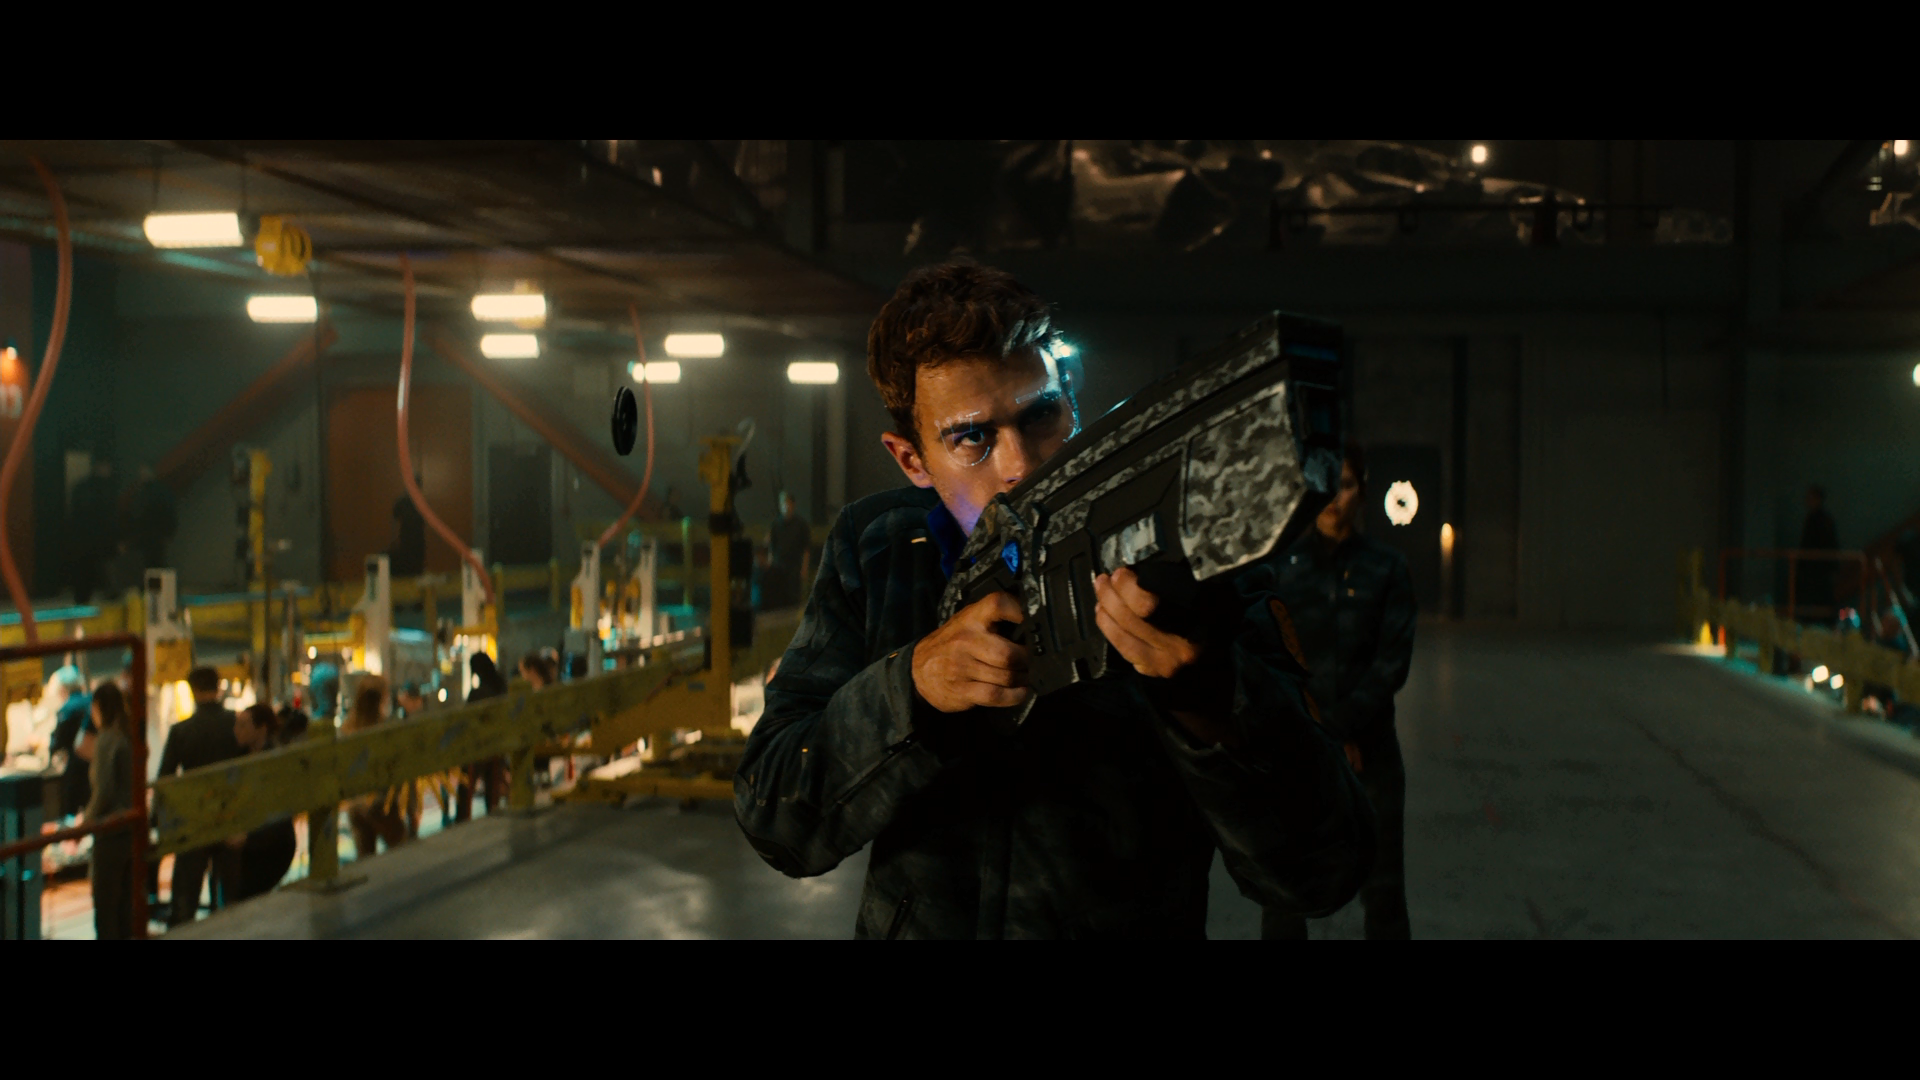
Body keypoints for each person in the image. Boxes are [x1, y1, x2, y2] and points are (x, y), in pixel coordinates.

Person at [733, 259, 1374, 938]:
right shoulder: (881, 549)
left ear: (1072, 402)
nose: (1021, 464)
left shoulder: (1189, 559)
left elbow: (1322, 874)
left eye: (1041, 415)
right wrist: (911, 689)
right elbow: (775, 816)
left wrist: (1214, 703)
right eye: (973, 437)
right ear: (911, 459)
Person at [1261, 442, 1417, 940]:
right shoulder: (1280, 568)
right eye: (1324, 483)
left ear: (1362, 493)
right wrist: (1322, 733)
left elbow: (1391, 665)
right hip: (1298, 750)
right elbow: (1269, 659)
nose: (1332, 497)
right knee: (1284, 895)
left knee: (1384, 889)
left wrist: (1342, 728)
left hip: (1370, 753)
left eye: (1345, 484)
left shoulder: (1387, 568)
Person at [157, 666, 244, 926]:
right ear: (218, 687)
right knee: (230, 897)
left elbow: (165, 779)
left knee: (186, 899)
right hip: (231, 816)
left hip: (195, 820)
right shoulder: (236, 723)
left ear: (193, 690)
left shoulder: (181, 731)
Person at [83, 680, 136, 940]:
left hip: (110, 832)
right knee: (125, 906)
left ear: (98, 707)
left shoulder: (106, 739)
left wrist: (86, 821)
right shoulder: (127, 734)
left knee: (105, 908)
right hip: (129, 830)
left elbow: (103, 790)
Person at [227, 704, 296, 902]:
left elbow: (279, 813)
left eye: (243, 725)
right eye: (237, 725)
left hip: (271, 844)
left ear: (262, 729)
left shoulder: (274, 761)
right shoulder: (240, 757)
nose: (236, 730)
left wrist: (247, 837)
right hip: (250, 845)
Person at [342, 676, 408, 860]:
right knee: (403, 852)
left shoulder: (348, 729)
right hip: (381, 802)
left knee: (366, 858)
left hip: (355, 804)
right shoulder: (384, 729)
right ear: (382, 699)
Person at [455, 654, 510, 822]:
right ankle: (492, 814)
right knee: (492, 786)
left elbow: (465, 721)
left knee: (466, 784)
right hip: (497, 746)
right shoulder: (501, 688)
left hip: (477, 747)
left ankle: (462, 819)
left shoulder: (478, 693)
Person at [67, 458, 120, 604]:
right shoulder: (107, 489)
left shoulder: (82, 487)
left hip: (84, 538)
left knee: (85, 572)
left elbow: (75, 514)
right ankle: (106, 597)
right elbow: (109, 516)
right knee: (102, 569)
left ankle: (82, 599)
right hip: (99, 538)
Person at [47, 667, 93, 820]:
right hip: (95, 766)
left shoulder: (67, 709)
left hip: (76, 769)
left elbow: (57, 743)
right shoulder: (90, 701)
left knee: (70, 813)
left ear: (62, 689)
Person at [761, 490, 814, 609]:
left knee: (793, 598)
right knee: (779, 598)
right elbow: (771, 547)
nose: (786, 506)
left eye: (788, 503)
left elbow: (806, 549)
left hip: (794, 567)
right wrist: (770, 565)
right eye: (783, 503)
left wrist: (804, 568)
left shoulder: (801, 525)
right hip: (779, 567)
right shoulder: (775, 524)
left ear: (793, 505)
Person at [1797, 485, 1839, 622]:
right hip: (1812, 570)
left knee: (1822, 601)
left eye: (1811, 498)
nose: (1808, 501)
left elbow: (1830, 544)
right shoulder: (1813, 519)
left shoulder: (1824, 520)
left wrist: (1832, 568)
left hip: (1820, 570)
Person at [128, 464, 178, 572]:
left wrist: (168, 532)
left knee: (156, 564)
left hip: (155, 534)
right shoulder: (141, 493)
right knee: (152, 565)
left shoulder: (153, 492)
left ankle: (156, 583)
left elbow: (168, 511)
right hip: (148, 535)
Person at [390, 486, 427, 578]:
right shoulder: (408, 501)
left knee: (414, 558)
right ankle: (412, 575)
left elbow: (395, 519)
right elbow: (395, 520)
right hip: (410, 535)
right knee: (410, 558)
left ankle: (413, 575)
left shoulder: (416, 501)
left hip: (413, 535)